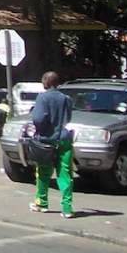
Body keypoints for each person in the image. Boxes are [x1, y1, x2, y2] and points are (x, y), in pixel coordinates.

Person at [30, 71, 75, 218]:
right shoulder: (66, 99)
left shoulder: (42, 98)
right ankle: (67, 209)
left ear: (46, 82)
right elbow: (68, 117)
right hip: (64, 139)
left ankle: (41, 203)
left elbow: (38, 118)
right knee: (65, 173)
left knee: (43, 173)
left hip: (46, 140)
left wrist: (41, 130)